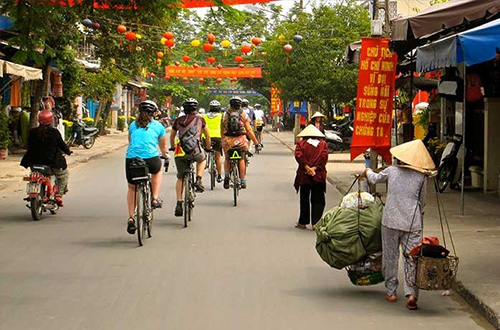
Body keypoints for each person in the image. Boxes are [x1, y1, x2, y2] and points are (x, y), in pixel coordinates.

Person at [362, 139, 435, 310]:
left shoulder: (392, 171)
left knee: (390, 256)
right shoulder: (421, 176)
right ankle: (411, 294)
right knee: (412, 258)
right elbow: (423, 201)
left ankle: (391, 292)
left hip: (391, 221)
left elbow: (374, 179)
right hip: (412, 222)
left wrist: (367, 170)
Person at [125, 100, 168, 234]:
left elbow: (130, 141)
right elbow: (163, 147)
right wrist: (165, 155)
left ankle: (131, 217)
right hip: (151, 158)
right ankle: (154, 198)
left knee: (132, 187)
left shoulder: (133, 125)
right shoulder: (159, 126)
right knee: (158, 170)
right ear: (154, 113)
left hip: (132, 159)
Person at [20, 110, 72, 206]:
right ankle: (58, 195)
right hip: (51, 163)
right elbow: (62, 145)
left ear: (39, 120)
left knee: (34, 174)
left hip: (34, 162)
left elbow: (28, 145)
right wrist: (68, 151)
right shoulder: (54, 132)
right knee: (63, 175)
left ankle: (35, 192)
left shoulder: (32, 132)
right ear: (51, 120)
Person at [170, 98, 211, 217]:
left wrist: (173, 147)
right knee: (202, 159)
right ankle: (198, 179)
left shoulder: (178, 120)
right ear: (196, 109)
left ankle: (179, 202)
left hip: (181, 152)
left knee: (180, 177)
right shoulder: (200, 120)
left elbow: (172, 136)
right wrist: (207, 148)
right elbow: (207, 137)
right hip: (195, 150)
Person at [293, 125, 329, 230]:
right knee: (318, 199)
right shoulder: (323, 144)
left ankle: (303, 222)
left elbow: (298, 156)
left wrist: (307, 168)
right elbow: (324, 158)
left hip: (304, 175)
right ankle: (316, 223)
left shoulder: (301, 144)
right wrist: (314, 168)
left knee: (304, 199)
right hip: (318, 175)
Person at [221, 96, 260, 190]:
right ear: (240, 105)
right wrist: (256, 143)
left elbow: (222, 129)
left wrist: (223, 140)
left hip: (228, 140)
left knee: (227, 158)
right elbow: (249, 130)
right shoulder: (243, 114)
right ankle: (242, 180)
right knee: (241, 159)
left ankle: (226, 176)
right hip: (240, 140)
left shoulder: (225, 114)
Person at [203, 100, 223, 183]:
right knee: (218, 156)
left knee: (204, 152)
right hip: (218, 137)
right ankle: (219, 175)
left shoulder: (204, 116)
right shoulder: (221, 116)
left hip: (206, 137)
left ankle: (206, 162)